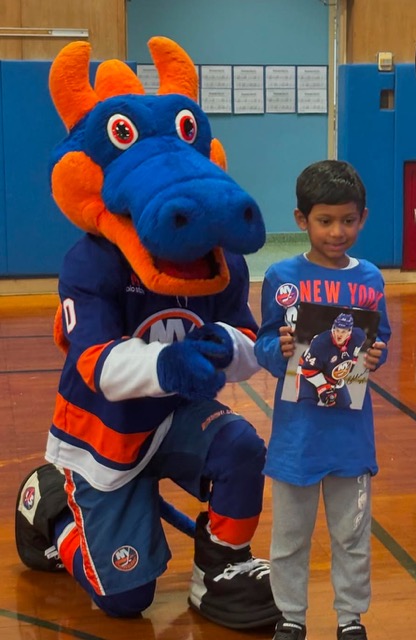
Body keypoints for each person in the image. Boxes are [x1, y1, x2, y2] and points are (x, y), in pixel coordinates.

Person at [14, 36, 280, 631]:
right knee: (125, 600)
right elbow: (98, 366)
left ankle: (221, 568)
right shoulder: (91, 263)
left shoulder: (222, 263)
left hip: (178, 418)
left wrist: (231, 350)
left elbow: (243, 337)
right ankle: (48, 506)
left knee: (242, 445)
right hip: (103, 434)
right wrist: (169, 365)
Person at [254, 159, 391, 640]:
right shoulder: (281, 277)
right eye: (325, 220)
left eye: (348, 220)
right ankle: (290, 616)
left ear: (363, 217)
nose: (338, 231)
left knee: (351, 536)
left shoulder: (371, 279)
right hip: (296, 439)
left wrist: (376, 354)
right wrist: (280, 350)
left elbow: (382, 342)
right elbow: (264, 343)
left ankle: (350, 618)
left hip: (350, 439)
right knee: (289, 538)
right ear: (301, 220)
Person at [296, 312, 367, 408]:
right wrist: (323, 388)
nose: (339, 335)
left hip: (331, 374)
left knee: (345, 409)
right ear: (333, 328)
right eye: (337, 330)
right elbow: (308, 369)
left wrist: (352, 360)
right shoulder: (320, 343)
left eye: (343, 331)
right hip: (310, 371)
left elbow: (356, 349)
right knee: (306, 406)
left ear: (349, 332)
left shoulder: (358, 336)